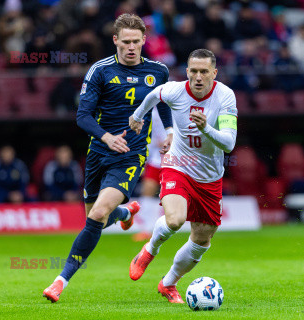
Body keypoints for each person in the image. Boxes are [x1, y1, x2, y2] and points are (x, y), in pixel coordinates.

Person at [42, 14, 174, 303]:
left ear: (144, 41)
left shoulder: (158, 71)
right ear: (115, 40)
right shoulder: (100, 71)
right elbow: (82, 116)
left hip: (131, 155)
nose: (131, 47)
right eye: (125, 42)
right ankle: (126, 213)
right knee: (95, 217)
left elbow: (162, 103)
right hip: (99, 153)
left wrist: (170, 131)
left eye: (136, 42)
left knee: (97, 215)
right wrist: (106, 137)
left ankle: (59, 281)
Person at [128, 49, 238, 304]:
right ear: (187, 71)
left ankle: (168, 284)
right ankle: (149, 250)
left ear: (214, 73)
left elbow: (229, 144)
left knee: (202, 239)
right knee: (175, 220)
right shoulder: (176, 90)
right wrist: (136, 117)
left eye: (204, 72)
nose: (198, 77)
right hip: (178, 164)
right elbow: (153, 94)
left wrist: (205, 128)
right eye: (193, 71)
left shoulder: (225, 96)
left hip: (210, 176)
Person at [133, 108, 166, 242]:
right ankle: (146, 230)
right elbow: (147, 138)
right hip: (156, 160)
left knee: (175, 193)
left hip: (174, 160)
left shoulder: (178, 108)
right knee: (147, 192)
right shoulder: (151, 112)